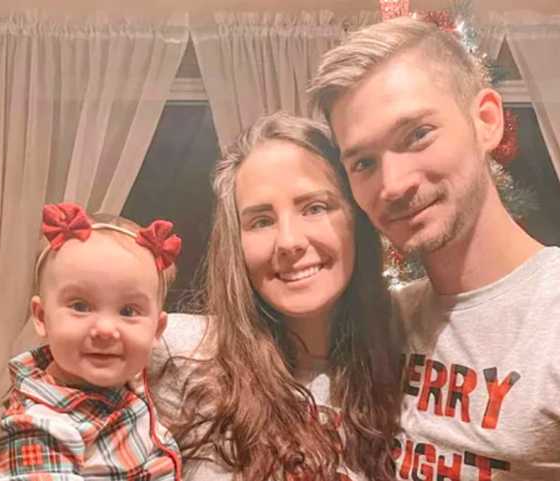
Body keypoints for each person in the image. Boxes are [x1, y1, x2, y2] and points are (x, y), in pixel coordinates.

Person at [308, 16, 560, 481]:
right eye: (364, 162)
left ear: (486, 121)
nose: (393, 184)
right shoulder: (384, 321)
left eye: (417, 135)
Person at [150, 112, 402, 481]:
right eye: (261, 221)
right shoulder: (175, 350)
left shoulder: (410, 352)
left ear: (357, 220)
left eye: (315, 208)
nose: (289, 242)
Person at [0, 203, 183, 481]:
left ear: (156, 329)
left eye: (128, 311)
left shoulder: (130, 380)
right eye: (81, 306)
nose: (106, 329)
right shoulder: (33, 428)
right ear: (41, 317)